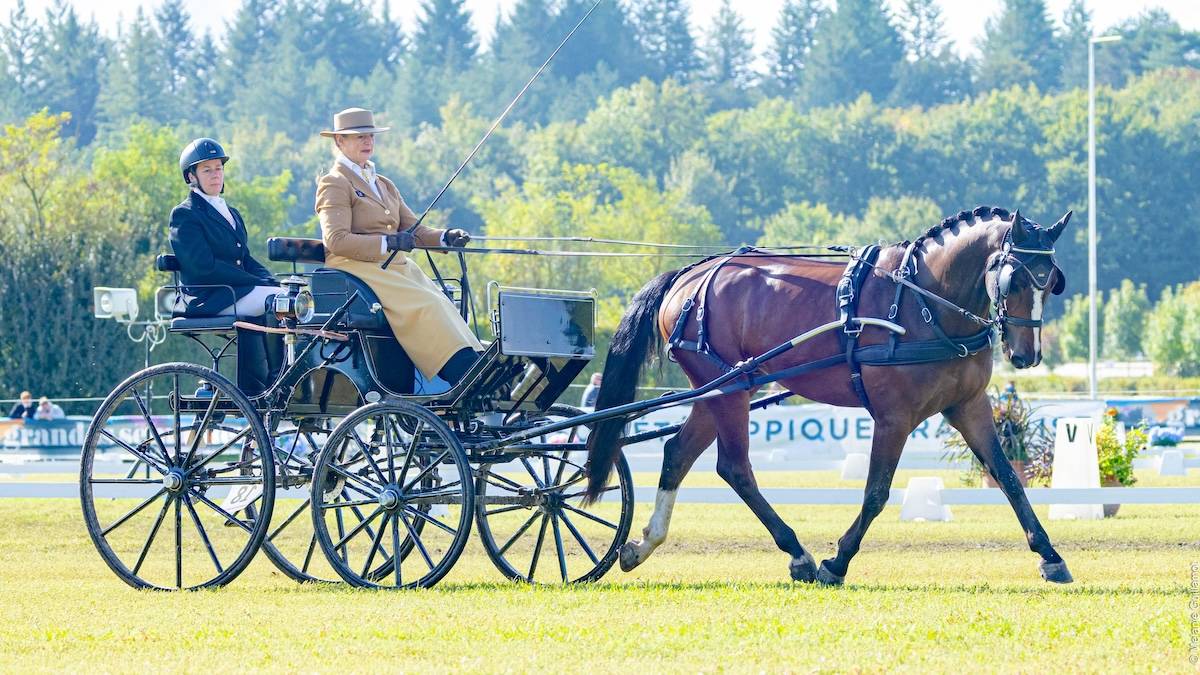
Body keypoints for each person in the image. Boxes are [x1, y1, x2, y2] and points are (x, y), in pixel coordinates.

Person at [314, 108, 483, 385]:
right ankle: (460, 371)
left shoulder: (384, 184)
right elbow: (336, 240)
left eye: (369, 136)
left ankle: (475, 361)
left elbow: (412, 229)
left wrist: (445, 237)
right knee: (426, 304)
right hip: (355, 268)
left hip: (393, 267)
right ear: (339, 142)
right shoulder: (334, 182)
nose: (367, 141)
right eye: (358, 137)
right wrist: (387, 242)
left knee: (442, 301)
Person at [169, 137, 282, 395]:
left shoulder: (231, 212)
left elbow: (246, 258)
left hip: (235, 291)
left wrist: (269, 280)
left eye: (218, 168)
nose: (215, 175)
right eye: (207, 170)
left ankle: (259, 386)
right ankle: (278, 379)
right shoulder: (184, 214)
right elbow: (202, 267)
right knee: (277, 302)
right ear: (191, 177)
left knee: (288, 297)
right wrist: (254, 283)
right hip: (209, 296)